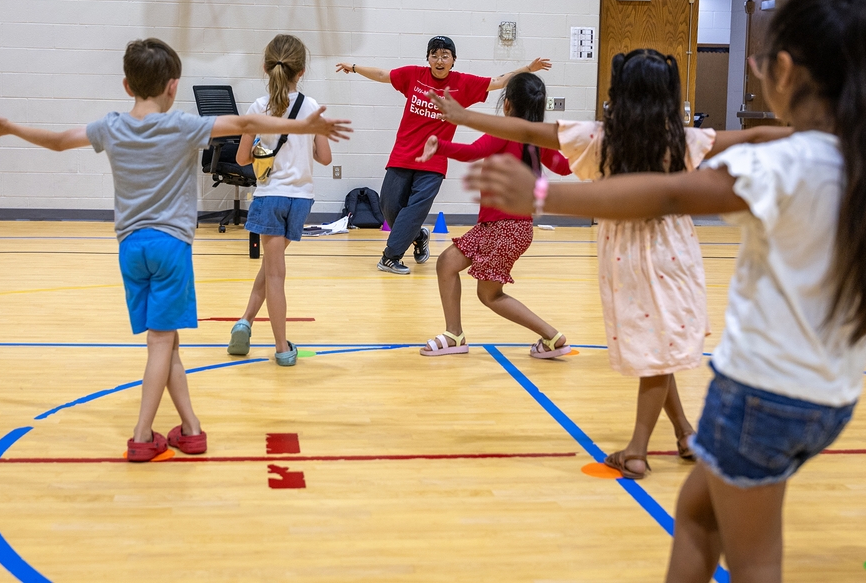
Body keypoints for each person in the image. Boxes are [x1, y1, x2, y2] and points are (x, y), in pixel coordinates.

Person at [462, 0, 866, 583]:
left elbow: (666, 192)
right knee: (695, 512)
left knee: (753, 557)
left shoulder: (787, 165)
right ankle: (681, 432)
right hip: (830, 398)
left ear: (787, 71)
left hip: (762, 394)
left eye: (762, 58)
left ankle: (651, 442)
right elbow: (741, 143)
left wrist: (543, 193)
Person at [0, 38, 352, 462]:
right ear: (174, 86)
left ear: (126, 85)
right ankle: (141, 434)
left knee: (167, 343)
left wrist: (11, 128)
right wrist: (306, 127)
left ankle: (190, 429)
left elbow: (59, 140)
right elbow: (247, 124)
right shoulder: (183, 126)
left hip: (130, 248)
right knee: (160, 343)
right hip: (170, 248)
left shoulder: (111, 126)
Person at [431, 48, 790, 479]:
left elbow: (525, 129)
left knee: (656, 352)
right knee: (661, 349)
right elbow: (754, 137)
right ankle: (685, 434)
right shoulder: (686, 139)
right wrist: (823, 132)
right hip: (677, 255)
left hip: (625, 255)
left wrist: (462, 116)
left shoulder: (600, 137)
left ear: (616, 94)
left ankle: (638, 449)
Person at [336, 36, 551, 275]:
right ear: (428, 58)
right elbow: (381, 75)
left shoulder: (463, 84)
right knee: (389, 206)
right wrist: (354, 68)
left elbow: (498, 82)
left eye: (445, 56)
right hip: (402, 154)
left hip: (434, 161)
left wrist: (528, 69)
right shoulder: (414, 75)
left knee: (415, 209)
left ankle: (390, 256)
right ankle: (418, 235)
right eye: (434, 55)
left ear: (453, 60)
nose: (439, 60)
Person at [415, 73, 573, 358]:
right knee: (447, 263)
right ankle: (454, 335)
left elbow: (474, 151)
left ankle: (553, 337)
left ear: (508, 104)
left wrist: (441, 146)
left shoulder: (506, 129)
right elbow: (564, 167)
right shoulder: (538, 137)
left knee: (490, 295)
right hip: (501, 227)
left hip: (505, 228)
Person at [226, 34, 332, 365]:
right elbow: (325, 158)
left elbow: (243, 158)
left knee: (274, 274)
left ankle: (282, 349)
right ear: (301, 71)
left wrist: (260, 147)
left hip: (271, 196)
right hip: (301, 200)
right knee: (271, 270)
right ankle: (244, 323)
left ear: (266, 67)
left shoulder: (258, 108)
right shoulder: (313, 107)